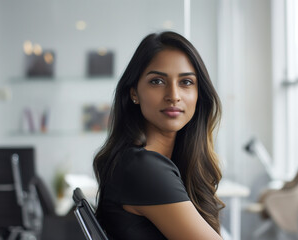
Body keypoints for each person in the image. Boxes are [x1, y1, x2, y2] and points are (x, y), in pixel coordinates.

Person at [93, 31, 225, 240]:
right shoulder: (143, 167)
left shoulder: (146, 162)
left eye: (186, 82)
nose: (173, 95)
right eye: (157, 81)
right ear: (134, 92)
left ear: (199, 94)